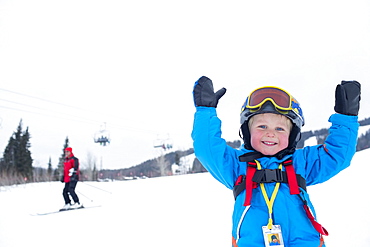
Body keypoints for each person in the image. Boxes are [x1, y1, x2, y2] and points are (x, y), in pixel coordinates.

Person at [192, 76, 360, 247]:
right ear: (247, 132)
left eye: (279, 129)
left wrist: (346, 117)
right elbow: (207, 148)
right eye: (262, 126)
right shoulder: (236, 165)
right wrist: (206, 111)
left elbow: (337, 154)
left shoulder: (301, 162)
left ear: (292, 135)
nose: (270, 133)